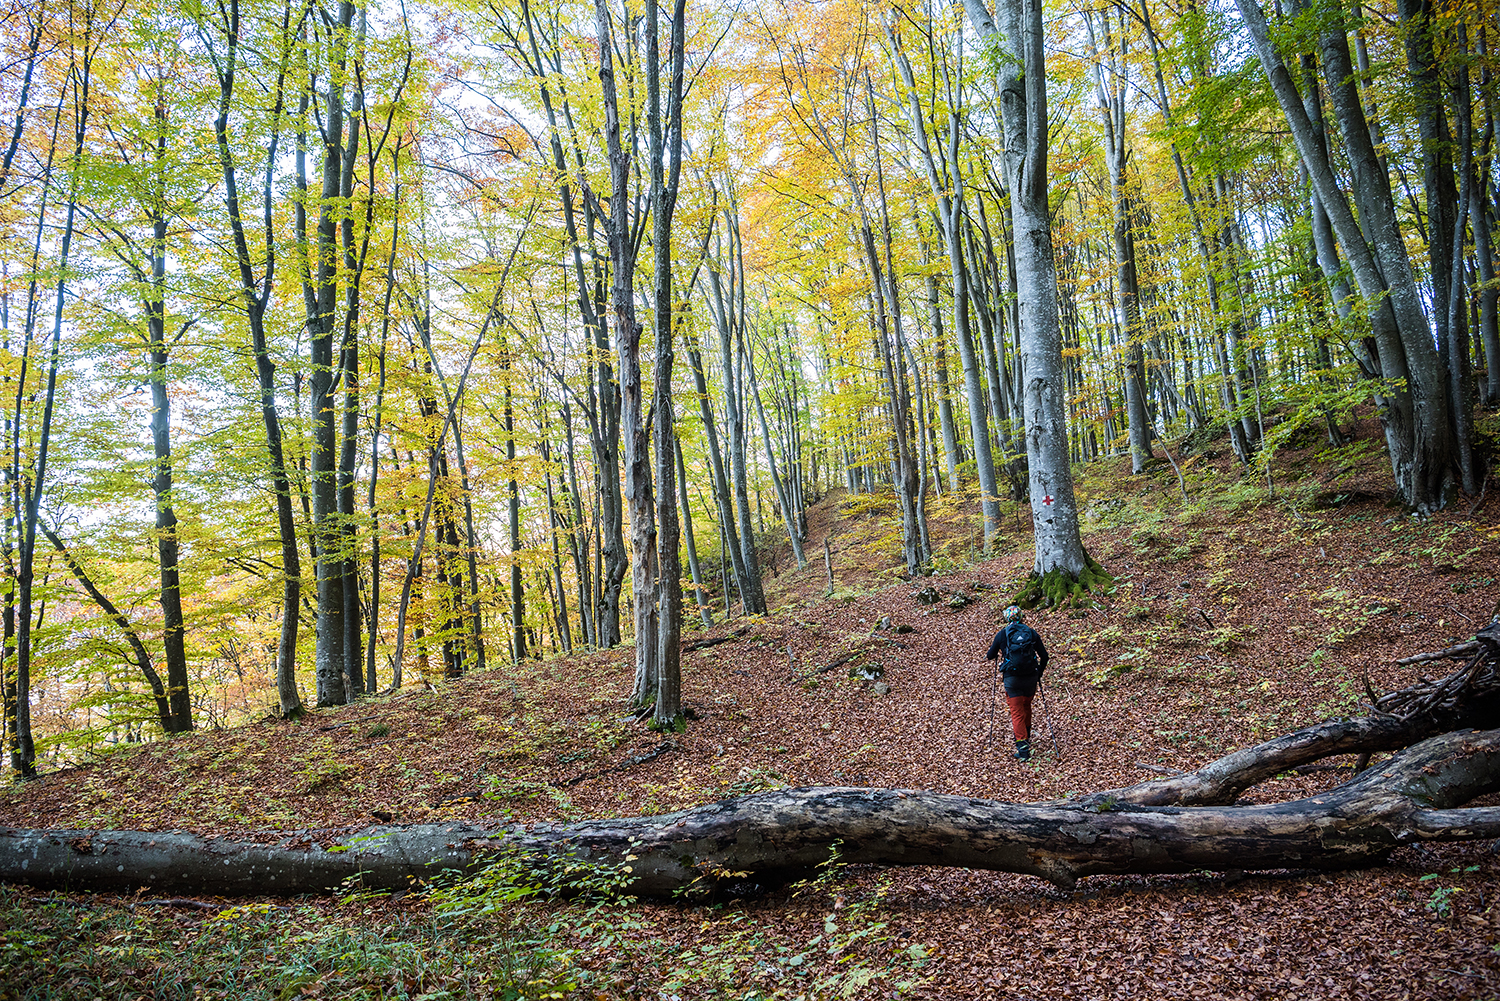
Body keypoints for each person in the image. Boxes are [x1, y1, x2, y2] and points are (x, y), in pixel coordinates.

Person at [985, 605, 1048, 760]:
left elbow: (990, 655)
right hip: (1031, 678)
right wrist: (1038, 672)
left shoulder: (1002, 635)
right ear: (1021, 616)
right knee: (1026, 706)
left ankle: (1024, 750)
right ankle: (1026, 740)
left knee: (1017, 712)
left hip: (1012, 680)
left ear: (1007, 618)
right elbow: (1045, 656)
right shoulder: (1031, 633)